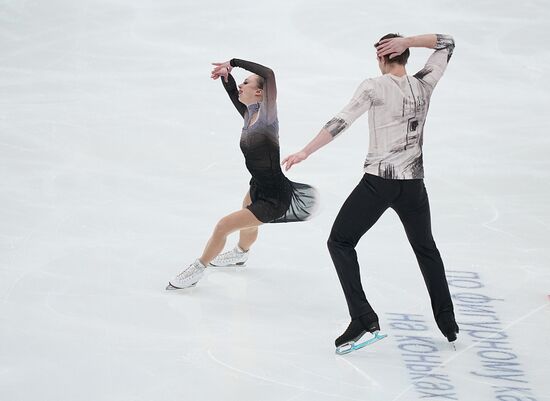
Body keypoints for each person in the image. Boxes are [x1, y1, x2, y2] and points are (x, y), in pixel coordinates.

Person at [282, 33, 459, 353]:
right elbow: (447, 43)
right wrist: (410, 40)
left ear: (381, 58)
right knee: (426, 248)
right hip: (414, 185)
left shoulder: (373, 87)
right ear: (404, 55)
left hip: (379, 184)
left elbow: (341, 121)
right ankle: (447, 321)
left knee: (340, 241)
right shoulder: (425, 83)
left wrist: (306, 151)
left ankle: (362, 316)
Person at [167, 58, 318, 290]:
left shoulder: (267, 117)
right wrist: (227, 78)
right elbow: (233, 95)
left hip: (273, 197)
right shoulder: (251, 114)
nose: (241, 86)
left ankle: (197, 269)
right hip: (258, 185)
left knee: (223, 226)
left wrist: (234, 63)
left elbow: (268, 74)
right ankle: (241, 253)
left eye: (245, 83)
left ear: (259, 92)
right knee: (247, 222)